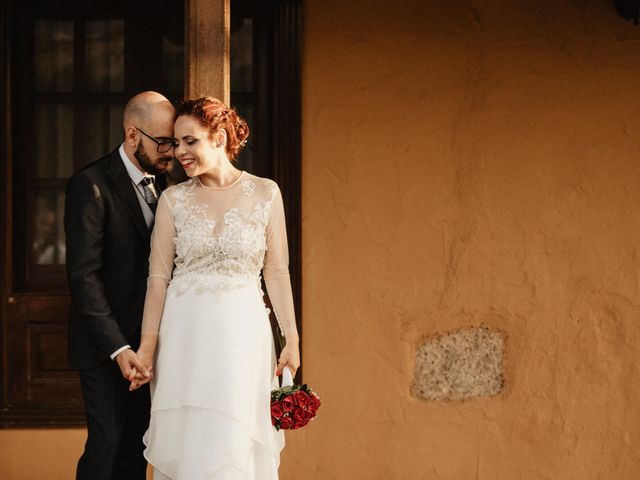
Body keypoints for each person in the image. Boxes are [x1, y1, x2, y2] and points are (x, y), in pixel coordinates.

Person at [131, 97, 300, 479]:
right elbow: (157, 278)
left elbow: (277, 271)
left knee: (235, 436)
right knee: (193, 440)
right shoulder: (173, 200)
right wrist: (148, 346)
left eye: (190, 141)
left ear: (219, 137)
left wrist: (291, 337)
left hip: (244, 338)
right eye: (175, 143)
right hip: (185, 338)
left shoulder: (266, 193)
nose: (180, 152)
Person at [64, 91, 176, 480]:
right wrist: (119, 347)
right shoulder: (91, 184)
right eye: (162, 141)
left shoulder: (170, 186)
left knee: (137, 446)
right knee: (106, 445)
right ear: (132, 135)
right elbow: (83, 275)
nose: (171, 151)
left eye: (174, 142)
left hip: (152, 347)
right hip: (104, 346)